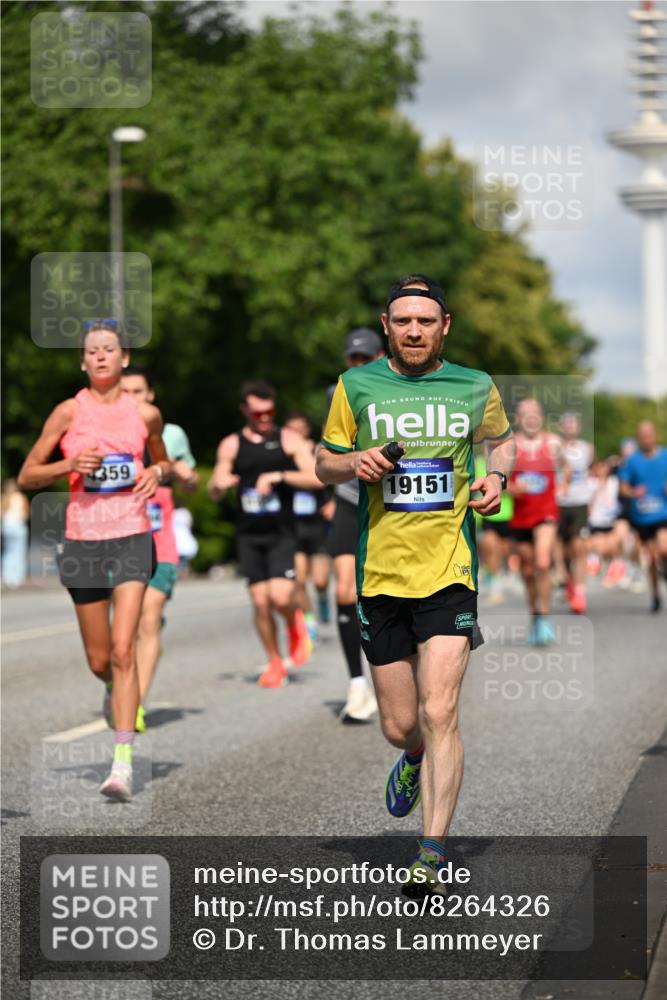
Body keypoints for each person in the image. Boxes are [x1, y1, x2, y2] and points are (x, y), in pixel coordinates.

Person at [316, 274, 515, 893]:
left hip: (449, 571)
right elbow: (324, 464)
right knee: (402, 725)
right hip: (381, 574)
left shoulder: (474, 386)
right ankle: (412, 757)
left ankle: (431, 849)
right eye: (403, 321)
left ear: (443, 326)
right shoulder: (356, 386)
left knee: (440, 709)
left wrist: (496, 478)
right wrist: (355, 462)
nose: (414, 330)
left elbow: (502, 443)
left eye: (425, 321)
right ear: (387, 326)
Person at [18, 320, 170, 802]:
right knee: (100, 658)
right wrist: (69, 466)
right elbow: (27, 475)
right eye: (92, 351)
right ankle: (114, 687)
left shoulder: (146, 415)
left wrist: (154, 471)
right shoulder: (68, 412)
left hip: (131, 533)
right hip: (82, 539)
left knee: (126, 649)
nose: (102, 356)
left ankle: (121, 764)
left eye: (110, 349)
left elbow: (162, 462)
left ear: (124, 358)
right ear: (83, 362)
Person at [208, 380, 321, 687]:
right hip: (248, 535)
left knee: (281, 596)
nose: (265, 418)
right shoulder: (232, 444)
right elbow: (216, 484)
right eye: (257, 414)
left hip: (281, 532)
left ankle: (294, 622)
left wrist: (280, 474)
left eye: (269, 411)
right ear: (245, 411)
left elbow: (317, 477)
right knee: (260, 603)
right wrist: (219, 485)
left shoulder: (288, 439)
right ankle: (274, 661)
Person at [121, 365, 199, 731]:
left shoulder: (171, 434)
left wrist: (186, 476)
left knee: (148, 619)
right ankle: (120, 676)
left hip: (159, 542)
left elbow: (190, 483)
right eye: (125, 392)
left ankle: (134, 703)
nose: (132, 399)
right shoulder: (108, 432)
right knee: (119, 630)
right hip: (116, 540)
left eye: (138, 391)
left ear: (150, 394)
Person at [326, 329, 385, 723]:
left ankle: (395, 676)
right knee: (346, 590)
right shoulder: (340, 392)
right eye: (354, 360)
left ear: (381, 356)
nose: (360, 366)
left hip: (395, 504)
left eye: (366, 359)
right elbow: (330, 449)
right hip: (351, 501)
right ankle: (357, 684)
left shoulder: (400, 388)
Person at [508, 399, 567, 645]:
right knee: (528, 570)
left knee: (543, 562)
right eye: (525, 413)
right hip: (522, 514)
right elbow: (500, 480)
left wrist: (564, 484)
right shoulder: (510, 446)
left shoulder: (553, 443)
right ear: (518, 418)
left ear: (541, 416)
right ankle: (535, 614)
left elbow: (567, 467)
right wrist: (511, 488)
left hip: (546, 513)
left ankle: (544, 616)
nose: (531, 417)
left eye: (535, 413)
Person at [283, 410, 334, 644]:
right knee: (299, 580)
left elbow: (333, 479)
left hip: (318, 523)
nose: (296, 433)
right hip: (293, 525)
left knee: (321, 580)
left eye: (300, 428)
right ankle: (309, 621)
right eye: (291, 429)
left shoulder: (317, 451)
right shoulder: (284, 455)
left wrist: (333, 502)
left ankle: (323, 596)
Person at [618, 420, 667, 613]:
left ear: (655, 435)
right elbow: (623, 487)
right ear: (639, 438)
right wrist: (633, 492)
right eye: (642, 435)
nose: (646, 438)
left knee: (664, 548)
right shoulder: (632, 461)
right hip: (641, 516)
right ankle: (655, 594)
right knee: (652, 558)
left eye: (649, 434)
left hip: (663, 512)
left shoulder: (665, 455)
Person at [557, 412, 594, 614]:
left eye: (574, 423)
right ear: (561, 426)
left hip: (579, 502)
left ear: (578, 427)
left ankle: (580, 591)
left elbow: (591, 473)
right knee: (563, 549)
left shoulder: (587, 449)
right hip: (558, 502)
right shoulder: (554, 448)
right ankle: (567, 580)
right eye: (567, 423)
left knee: (579, 546)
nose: (570, 427)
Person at [474, 452, 514, 604]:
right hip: (488, 515)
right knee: (491, 547)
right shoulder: (479, 461)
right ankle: (496, 586)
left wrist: (501, 486)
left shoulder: (510, 462)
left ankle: (500, 575)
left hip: (508, 513)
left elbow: (516, 486)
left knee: (503, 551)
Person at [1, 479, 29, 588]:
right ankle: (17, 578)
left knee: (8, 551)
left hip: (7, 526)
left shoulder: (4, 498)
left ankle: (7, 577)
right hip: (18, 525)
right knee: (19, 551)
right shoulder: (21, 498)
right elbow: (26, 512)